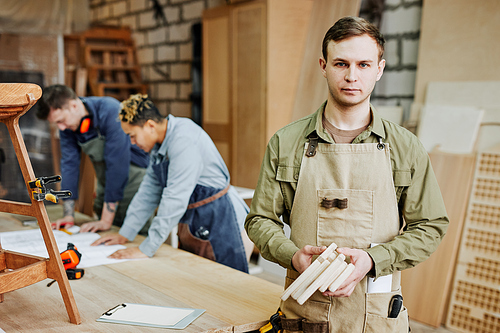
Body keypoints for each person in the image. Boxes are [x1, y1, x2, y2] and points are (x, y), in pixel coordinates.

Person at [245, 16, 449, 332]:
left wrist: (373, 260)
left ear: (379, 69)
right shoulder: (286, 144)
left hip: (377, 315)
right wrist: (294, 256)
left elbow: (431, 226)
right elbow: (259, 220)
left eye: (364, 65)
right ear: (323, 65)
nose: (352, 76)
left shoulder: (405, 147)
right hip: (305, 313)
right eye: (341, 64)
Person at [92, 94, 252, 273]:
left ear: (150, 125)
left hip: (222, 222)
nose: (132, 143)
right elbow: (147, 193)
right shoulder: (159, 148)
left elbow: (174, 198)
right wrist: (125, 234)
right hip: (195, 223)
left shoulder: (183, 139)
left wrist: (146, 248)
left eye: (133, 135)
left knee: (227, 287)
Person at [37, 85, 149, 233]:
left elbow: (117, 165)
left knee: (134, 231)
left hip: (133, 178)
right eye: (56, 123)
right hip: (107, 181)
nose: (61, 128)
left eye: (61, 120)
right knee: (106, 235)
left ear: (74, 105)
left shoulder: (110, 111)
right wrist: (68, 216)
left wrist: (105, 220)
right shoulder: (68, 127)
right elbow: (69, 165)